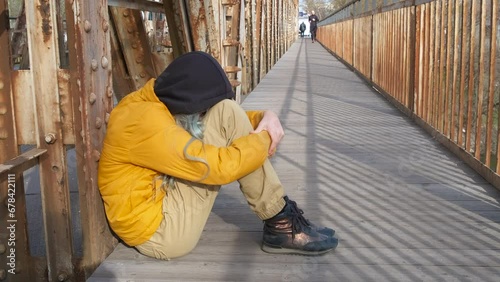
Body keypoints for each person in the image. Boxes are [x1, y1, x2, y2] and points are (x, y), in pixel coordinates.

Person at [98, 51, 338, 260]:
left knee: (226, 111)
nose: (205, 111)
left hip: (158, 197)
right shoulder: (143, 123)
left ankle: (280, 219)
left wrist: (265, 117)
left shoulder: (155, 99)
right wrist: (264, 137)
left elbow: (224, 117)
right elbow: (218, 167)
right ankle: (281, 224)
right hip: (158, 233)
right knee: (230, 133)